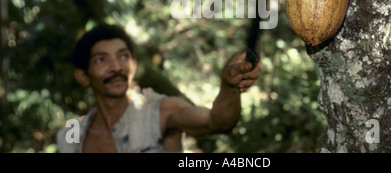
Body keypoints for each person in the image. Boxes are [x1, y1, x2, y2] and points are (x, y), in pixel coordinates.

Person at [56, 23, 262, 153]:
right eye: (101, 60)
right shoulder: (72, 136)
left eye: (123, 56)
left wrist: (229, 87)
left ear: (134, 66)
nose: (117, 67)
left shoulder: (160, 111)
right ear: (83, 76)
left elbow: (217, 122)